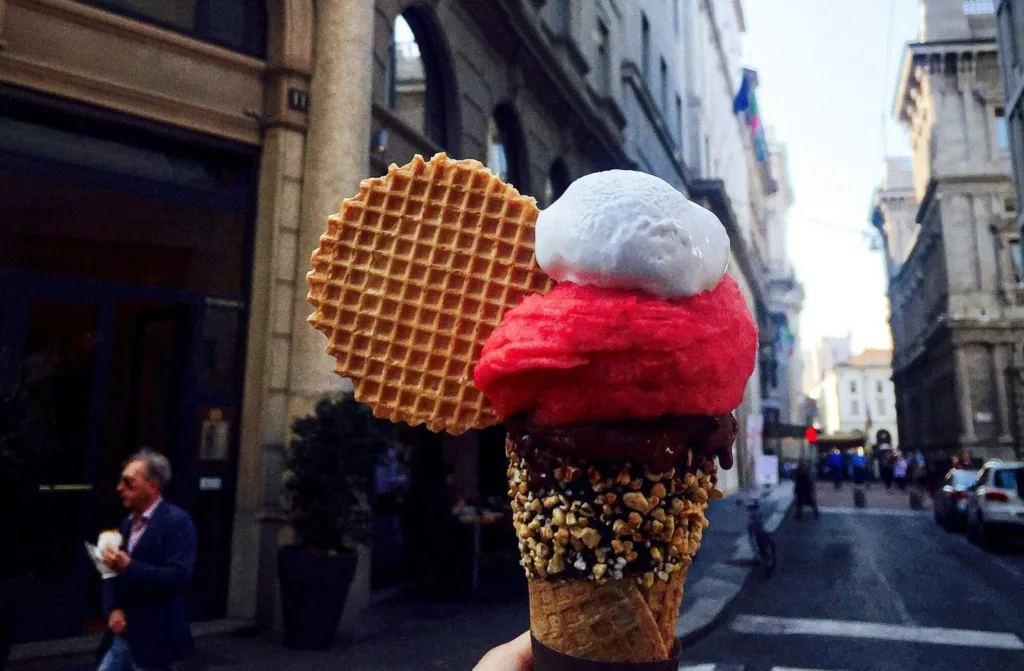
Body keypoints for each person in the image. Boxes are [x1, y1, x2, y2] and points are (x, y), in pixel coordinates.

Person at [97, 449, 198, 671]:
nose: (119, 488)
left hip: (157, 642)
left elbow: (178, 577)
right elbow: (110, 575)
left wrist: (130, 566)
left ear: (153, 486)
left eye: (128, 482)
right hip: (123, 639)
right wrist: (113, 608)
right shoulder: (126, 524)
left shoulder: (177, 522)